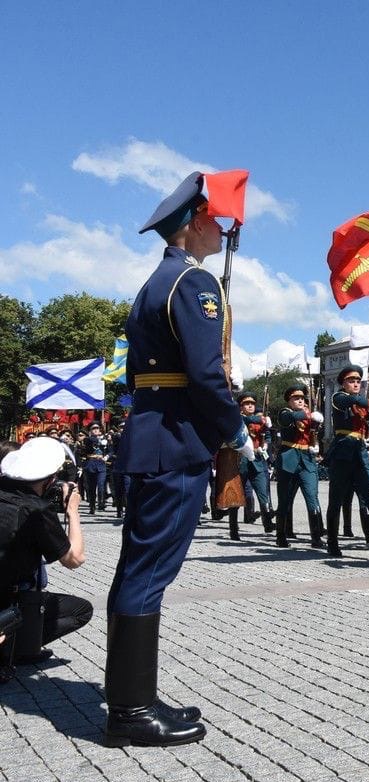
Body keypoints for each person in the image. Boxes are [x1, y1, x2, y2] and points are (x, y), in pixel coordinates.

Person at [106, 172, 255, 747]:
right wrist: (235, 431)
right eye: (214, 219)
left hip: (153, 433)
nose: (221, 228)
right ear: (194, 222)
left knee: (137, 568)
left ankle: (132, 696)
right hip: (177, 439)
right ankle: (130, 711)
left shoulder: (154, 284)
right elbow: (204, 374)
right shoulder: (193, 285)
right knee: (149, 572)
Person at [0, 438, 90, 682]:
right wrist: (72, 510)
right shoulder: (36, 509)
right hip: (9, 600)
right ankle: (16, 649)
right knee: (81, 610)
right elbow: (74, 558)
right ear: (50, 479)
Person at [324, 365, 369, 557]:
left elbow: (367, 423)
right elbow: (351, 400)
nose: (355, 384)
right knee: (336, 499)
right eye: (351, 381)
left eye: (358, 381)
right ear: (343, 383)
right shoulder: (338, 397)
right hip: (343, 451)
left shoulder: (361, 405)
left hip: (360, 451)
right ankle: (332, 541)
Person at [275, 384, 325, 548]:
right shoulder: (286, 412)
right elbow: (286, 420)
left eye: (302, 398)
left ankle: (316, 536)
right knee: (284, 500)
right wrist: (308, 414)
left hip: (307, 459)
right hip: (289, 458)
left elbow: (313, 433)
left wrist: (316, 436)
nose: (300, 401)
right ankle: (281, 535)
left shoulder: (308, 415)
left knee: (312, 497)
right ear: (289, 401)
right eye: (296, 398)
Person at [233, 392, 275, 540]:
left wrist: (265, 445)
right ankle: (233, 528)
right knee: (238, 493)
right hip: (241, 459)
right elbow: (246, 420)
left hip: (257, 459)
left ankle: (268, 522)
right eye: (246, 403)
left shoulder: (260, 420)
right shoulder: (238, 418)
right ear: (241, 406)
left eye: (252, 403)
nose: (250, 405)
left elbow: (267, 436)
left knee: (263, 492)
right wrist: (261, 419)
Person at [80, 422, 112, 514]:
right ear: (90, 431)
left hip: (101, 465)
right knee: (91, 487)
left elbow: (110, 451)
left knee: (101, 485)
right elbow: (90, 442)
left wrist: (106, 457)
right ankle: (92, 506)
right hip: (91, 465)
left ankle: (101, 503)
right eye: (93, 428)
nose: (96, 430)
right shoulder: (87, 439)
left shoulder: (105, 439)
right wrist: (100, 439)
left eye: (97, 428)